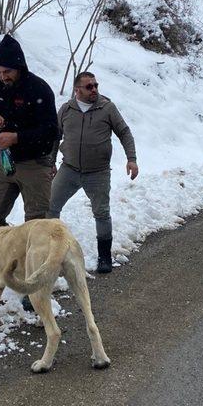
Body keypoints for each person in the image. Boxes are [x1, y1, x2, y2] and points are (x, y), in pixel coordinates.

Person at [0, 34, 58, 238]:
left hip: (36, 163)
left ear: (20, 67)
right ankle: (7, 254)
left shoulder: (39, 88)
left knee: (37, 226)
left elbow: (51, 131)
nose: (3, 76)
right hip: (7, 162)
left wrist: (16, 137)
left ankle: (36, 264)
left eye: (7, 71)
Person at [48, 71, 138, 273]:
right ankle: (51, 252)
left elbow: (124, 132)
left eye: (96, 85)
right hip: (69, 169)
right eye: (89, 86)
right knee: (50, 208)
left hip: (98, 172)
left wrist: (131, 159)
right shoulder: (66, 109)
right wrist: (50, 162)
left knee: (102, 213)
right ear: (77, 89)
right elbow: (55, 136)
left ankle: (104, 257)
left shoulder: (107, 108)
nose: (94, 89)